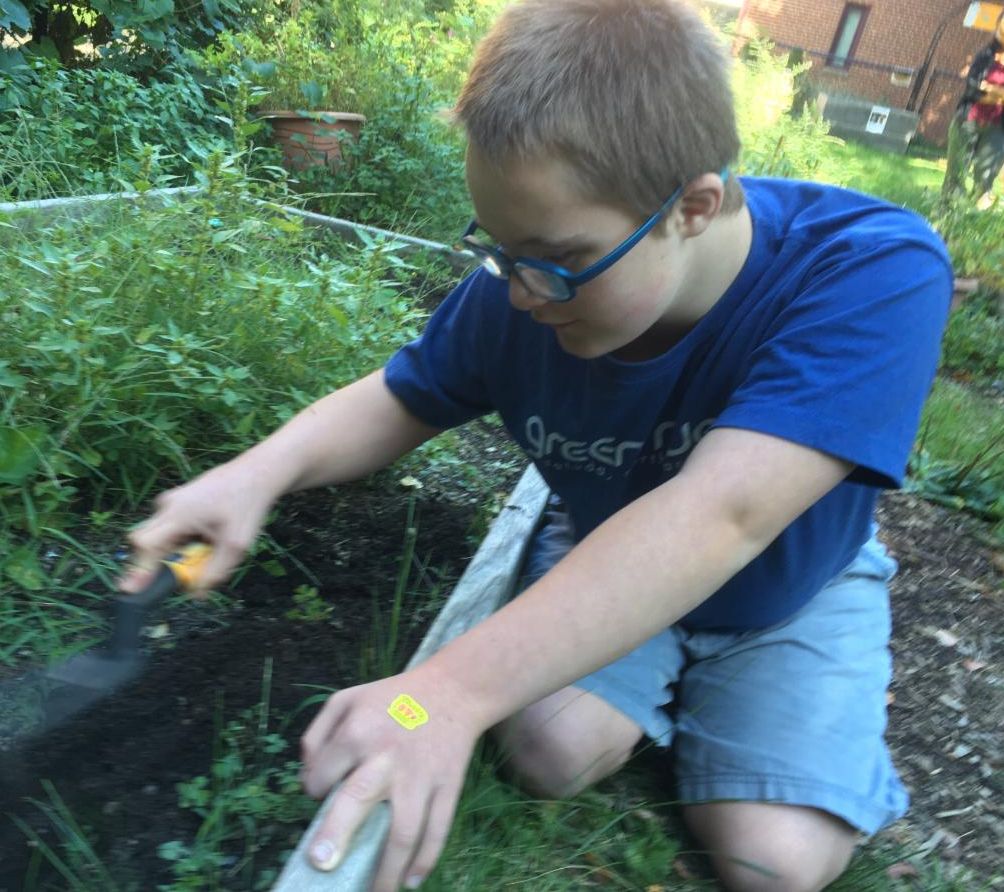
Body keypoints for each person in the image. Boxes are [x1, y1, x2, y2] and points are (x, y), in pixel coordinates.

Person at [120, 2, 952, 890]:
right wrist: (254, 475)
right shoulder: (531, 283)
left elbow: (726, 517)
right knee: (551, 749)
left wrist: (440, 695)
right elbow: (402, 396)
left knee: (776, 865)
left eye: (555, 259)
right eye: (501, 251)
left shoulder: (870, 271)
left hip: (790, 588)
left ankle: (749, 701)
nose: (521, 293)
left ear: (692, 207)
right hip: (608, 542)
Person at [941, 9, 1004, 208]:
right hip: (967, 120)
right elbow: (972, 87)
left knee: (985, 181)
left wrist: (989, 89)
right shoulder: (985, 55)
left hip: (997, 129)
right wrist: (999, 94)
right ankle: (946, 217)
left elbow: (981, 87)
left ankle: (975, 222)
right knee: (955, 176)